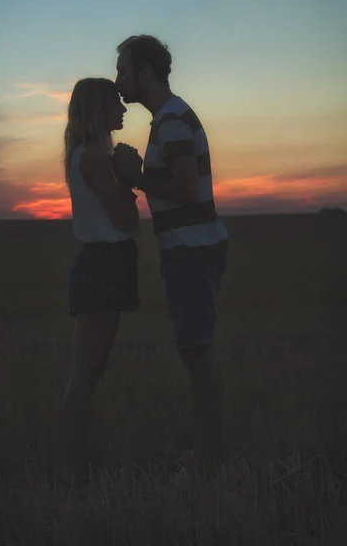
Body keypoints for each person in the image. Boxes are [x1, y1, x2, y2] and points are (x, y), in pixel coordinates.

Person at [114, 35, 229, 482]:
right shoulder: (168, 119)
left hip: (192, 250)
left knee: (197, 355)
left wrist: (134, 176)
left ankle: (205, 461)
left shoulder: (174, 120)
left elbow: (186, 189)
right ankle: (205, 453)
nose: (118, 79)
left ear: (144, 73)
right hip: (192, 247)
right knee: (197, 352)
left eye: (123, 70)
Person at [60, 78, 142, 485]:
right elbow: (126, 220)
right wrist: (130, 179)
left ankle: (79, 465)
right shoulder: (93, 158)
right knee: (86, 374)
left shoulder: (88, 155)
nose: (124, 110)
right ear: (99, 110)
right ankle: (74, 472)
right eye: (117, 104)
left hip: (106, 263)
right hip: (103, 264)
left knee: (90, 372)